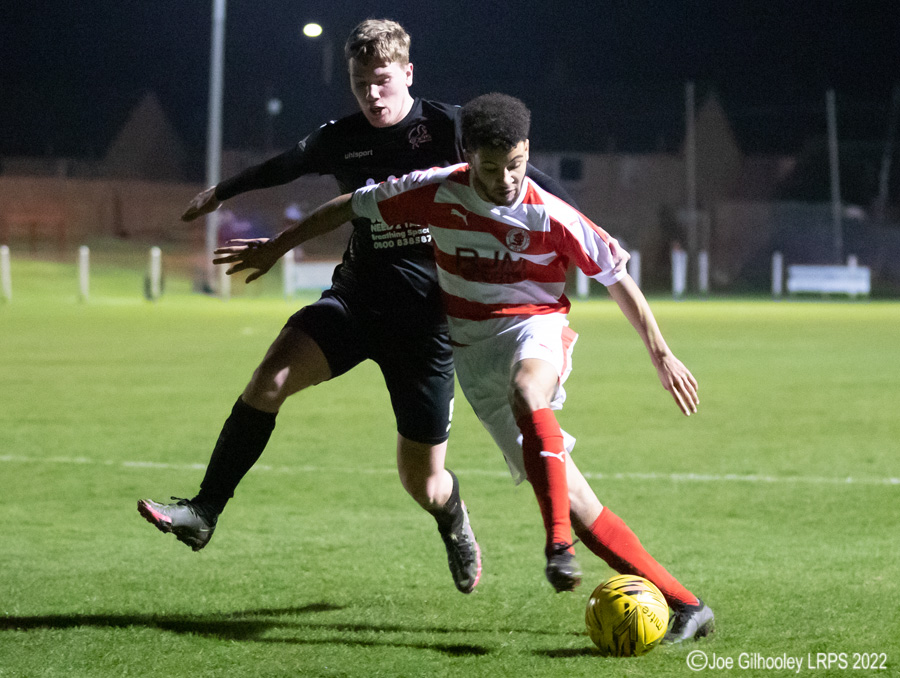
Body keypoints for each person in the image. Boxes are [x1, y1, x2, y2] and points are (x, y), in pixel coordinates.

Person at [137, 20, 619, 595]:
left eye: (382, 80)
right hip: (357, 301)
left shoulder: (449, 126)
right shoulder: (341, 137)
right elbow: (284, 166)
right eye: (360, 82)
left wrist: (583, 233)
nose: (372, 94)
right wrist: (221, 193)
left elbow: (532, 183)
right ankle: (204, 511)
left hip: (429, 329)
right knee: (269, 379)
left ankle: (451, 514)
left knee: (423, 483)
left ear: (408, 74)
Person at [213, 93, 714, 643]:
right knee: (574, 499)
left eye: (516, 165)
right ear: (468, 154)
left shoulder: (550, 212)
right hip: (473, 353)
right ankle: (686, 604)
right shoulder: (435, 190)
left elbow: (617, 275)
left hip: (534, 327)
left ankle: (557, 548)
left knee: (530, 392)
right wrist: (277, 248)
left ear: (528, 152)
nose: (504, 179)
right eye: (490, 167)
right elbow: (350, 206)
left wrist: (661, 352)